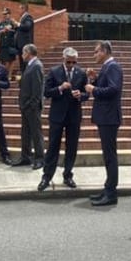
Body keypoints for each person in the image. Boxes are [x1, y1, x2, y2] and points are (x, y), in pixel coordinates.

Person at [39, 47, 86, 191]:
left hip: (74, 115)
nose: (71, 65)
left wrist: (81, 95)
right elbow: (46, 92)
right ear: (63, 59)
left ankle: (68, 175)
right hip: (57, 116)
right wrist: (60, 88)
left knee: (71, 147)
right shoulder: (54, 72)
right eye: (68, 62)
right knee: (53, 146)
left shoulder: (81, 73)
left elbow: (86, 93)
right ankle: (47, 176)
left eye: (73, 62)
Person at [84, 40, 123, 206]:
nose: (95, 55)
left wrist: (93, 89)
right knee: (108, 155)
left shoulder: (113, 66)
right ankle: (108, 188)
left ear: (105, 51)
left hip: (109, 117)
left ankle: (111, 193)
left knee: (110, 156)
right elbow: (107, 85)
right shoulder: (107, 67)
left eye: (97, 51)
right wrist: (96, 79)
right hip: (105, 117)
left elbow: (114, 89)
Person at [13, 43, 44, 168]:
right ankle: (26, 157)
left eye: (23, 52)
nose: (21, 55)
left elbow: (37, 89)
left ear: (28, 53)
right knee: (25, 132)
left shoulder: (36, 66)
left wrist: (31, 104)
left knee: (36, 133)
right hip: (26, 105)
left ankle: (40, 158)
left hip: (32, 106)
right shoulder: (30, 65)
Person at [0, 8, 18, 73]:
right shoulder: (0, 23)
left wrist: (9, 30)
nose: (4, 15)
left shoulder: (12, 22)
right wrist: (1, 31)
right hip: (3, 45)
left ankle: (9, 76)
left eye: (6, 14)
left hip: (11, 44)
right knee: (3, 61)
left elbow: (17, 31)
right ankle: (3, 75)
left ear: (9, 14)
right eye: (3, 14)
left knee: (11, 60)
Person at [14, 3, 34, 71]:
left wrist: (18, 24)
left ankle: (25, 77)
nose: (18, 11)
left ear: (24, 9)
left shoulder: (28, 17)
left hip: (25, 44)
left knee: (25, 62)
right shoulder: (22, 18)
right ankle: (23, 77)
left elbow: (27, 26)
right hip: (20, 44)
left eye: (19, 9)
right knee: (22, 62)